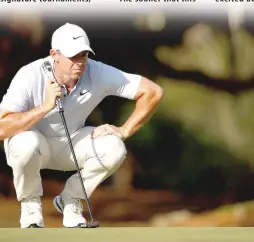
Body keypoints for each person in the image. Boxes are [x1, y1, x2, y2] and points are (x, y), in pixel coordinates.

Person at [0, 23, 164, 228]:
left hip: (71, 144)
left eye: (84, 55)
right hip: (32, 144)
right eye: (73, 56)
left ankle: (71, 199)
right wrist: (44, 107)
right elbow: (2, 128)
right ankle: (30, 203)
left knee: (114, 147)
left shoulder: (98, 72)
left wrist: (124, 130)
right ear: (54, 54)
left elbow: (153, 92)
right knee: (27, 142)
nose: (80, 62)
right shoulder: (30, 74)